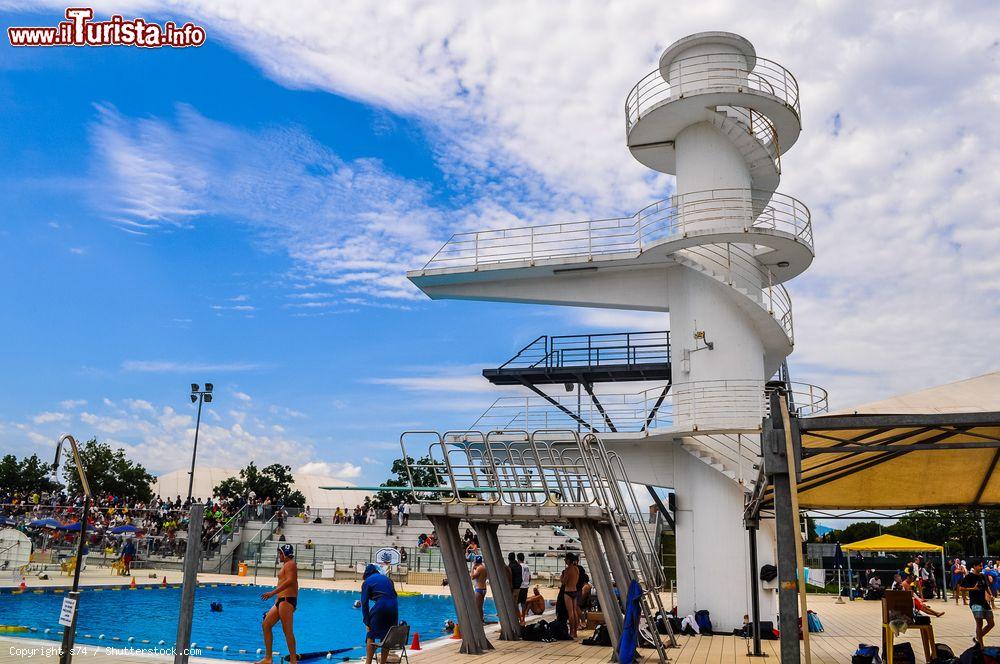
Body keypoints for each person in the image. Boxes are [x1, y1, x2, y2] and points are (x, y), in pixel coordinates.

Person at [257, 544, 298, 664]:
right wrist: (276, 599)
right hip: (281, 600)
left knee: (287, 631)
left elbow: (290, 581)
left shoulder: (291, 564)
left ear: (284, 554)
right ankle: (268, 658)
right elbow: (284, 582)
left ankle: (293, 661)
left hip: (287, 600)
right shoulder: (286, 565)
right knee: (266, 625)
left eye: (280, 553)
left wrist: (272, 593)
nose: (279, 555)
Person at [361, 564, 398, 664]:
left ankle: (368, 663)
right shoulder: (388, 579)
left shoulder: (367, 582)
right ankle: (383, 663)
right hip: (394, 606)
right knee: (387, 636)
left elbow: (364, 604)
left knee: (370, 634)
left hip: (381, 606)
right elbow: (394, 595)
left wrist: (367, 621)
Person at [960, 560, 995, 647]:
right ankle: (981, 645)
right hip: (975, 603)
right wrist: (973, 589)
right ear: (974, 566)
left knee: (991, 623)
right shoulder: (969, 576)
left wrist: (991, 595)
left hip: (984, 602)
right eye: (979, 566)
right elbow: (961, 588)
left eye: (981, 565)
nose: (981, 567)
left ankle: (977, 638)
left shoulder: (982, 576)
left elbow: (986, 587)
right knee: (979, 623)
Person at [560, 552, 581, 639]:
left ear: (568, 560)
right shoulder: (576, 569)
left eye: (565, 559)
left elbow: (564, 582)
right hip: (575, 590)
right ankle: (575, 632)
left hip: (568, 591)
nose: (565, 560)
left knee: (570, 612)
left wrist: (561, 577)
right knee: (575, 612)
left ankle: (571, 631)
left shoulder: (568, 570)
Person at [471, 555, 488, 623]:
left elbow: (472, 577)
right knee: (480, 606)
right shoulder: (483, 568)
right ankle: (481, 619)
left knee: (477, 606)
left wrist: (472, 568)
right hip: (483, 588)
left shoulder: (479, 568)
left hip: (479, 589)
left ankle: (479, 620)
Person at [517, 552, 531, 625]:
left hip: (520, 586)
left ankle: (520, 618)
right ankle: (523, 618)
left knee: (516, 603)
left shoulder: (519, 566)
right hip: (526, 586)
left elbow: (519, 576)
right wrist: (527, 583)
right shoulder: (527, 566)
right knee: (523, 603)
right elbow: (530, 577)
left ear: (518, 558)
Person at [507, 552, 522, 620]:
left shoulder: (510, 566)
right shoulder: (519, 565)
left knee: (512, 604)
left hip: (513, 587)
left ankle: (517, 618)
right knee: (515, 604)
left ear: (509, 558)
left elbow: (510, 577)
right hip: (518, 587)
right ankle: (518, 617)